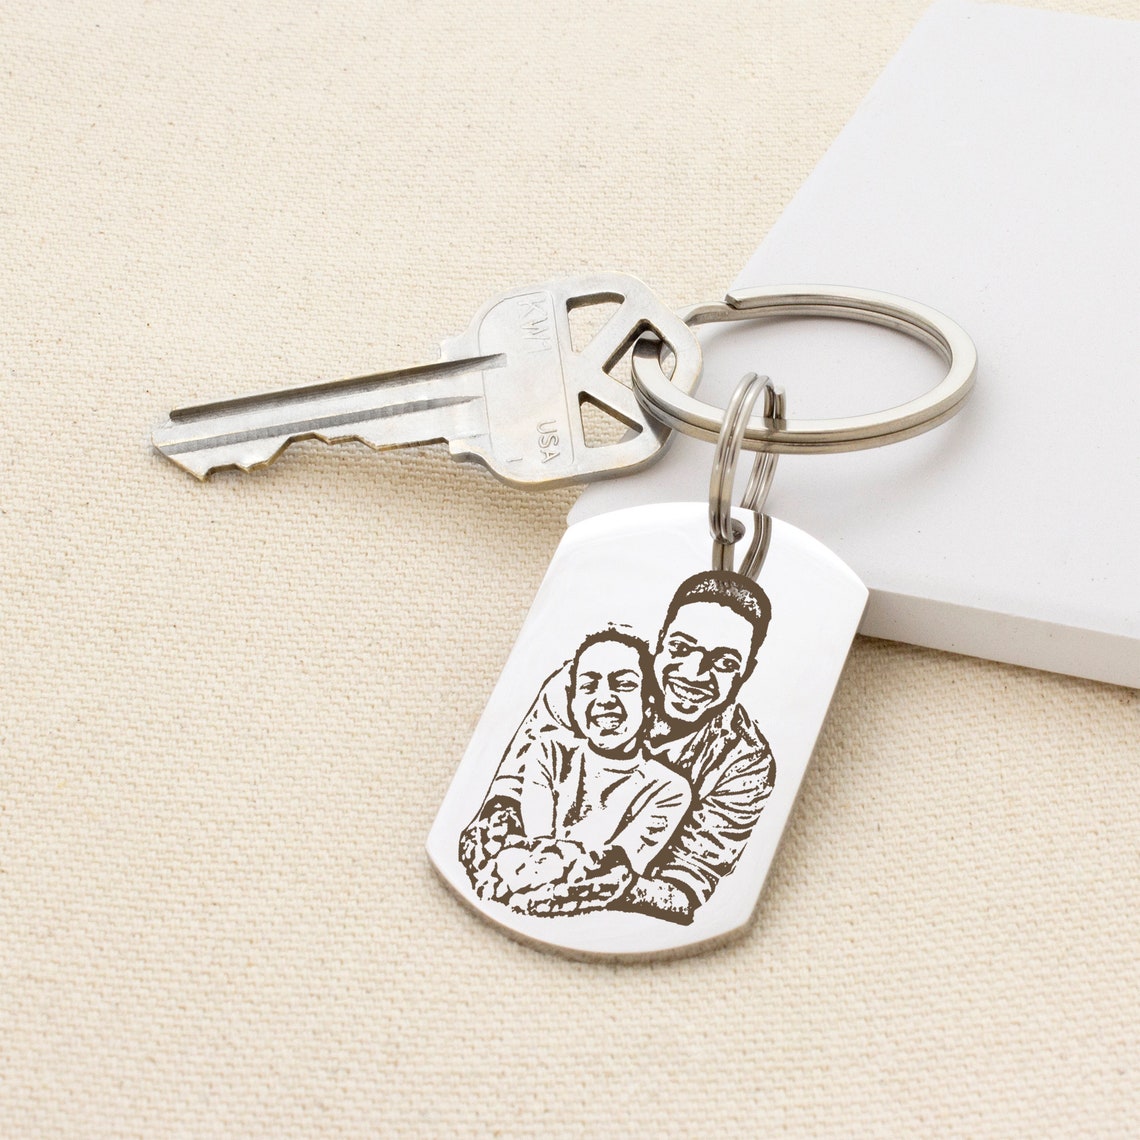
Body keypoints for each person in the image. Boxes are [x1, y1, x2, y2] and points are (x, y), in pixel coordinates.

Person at [461, 571, 775, 925]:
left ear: (747, 672)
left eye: (725, 663)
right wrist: (502, 856)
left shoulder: (747, 763)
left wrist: (590, 881)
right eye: (681, 648)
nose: (694, 673)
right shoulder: (584, 682)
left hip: (613, 926)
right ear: (660, 640)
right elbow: (506, 799)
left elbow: (684, 890)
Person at [461, 629, 690, 914]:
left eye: (624, 684)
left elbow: (615, 869)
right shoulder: (549, 751)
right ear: (572, 703)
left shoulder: (668, 788)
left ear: (649, 703)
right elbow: (539, 849)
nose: (605, 698)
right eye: (589, 686)